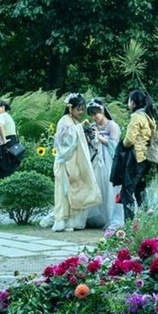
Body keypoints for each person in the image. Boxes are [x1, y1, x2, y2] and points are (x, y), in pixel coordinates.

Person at [40, 93, 102, 232]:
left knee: (76, 190)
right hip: (65, 162)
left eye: (82, 109)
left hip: (75, 162)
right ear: (70, 108)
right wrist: (79, 128)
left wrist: (83, 130)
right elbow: (63, 141)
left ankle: (72, 222)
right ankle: (62, 220)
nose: (80, 112)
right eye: (78, 109)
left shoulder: (73, 121)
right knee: (64, 192)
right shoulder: (64, 121)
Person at [121, 88, 158, 222]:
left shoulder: (136, 116)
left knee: (127, 192)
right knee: (140, 191)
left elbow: (129, 139)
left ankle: (129, 224)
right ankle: (147, 220)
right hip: (146, 159)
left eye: (129, 99)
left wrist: (123, 145)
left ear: (134, 102)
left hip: (136, 159)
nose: (128, 102)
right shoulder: (148, 116)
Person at [87, 98, 120, 228]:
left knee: (109, 188)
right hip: (96, 160)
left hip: (109, 161)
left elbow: (114, 145)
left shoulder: (112, 126)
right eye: (92, 115)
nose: (94, 117)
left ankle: (111, 217)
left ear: (102, 110)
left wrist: (99, 137)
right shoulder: (93, 125)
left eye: (96, 114)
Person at [0, 99, 21, 181]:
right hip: (13, 143)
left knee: (3, 171)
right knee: (10, 169)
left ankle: (0, 190)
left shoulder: (2, 116)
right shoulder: (7, 116)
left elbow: (0, 126)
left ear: (3, 107)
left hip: (7, 145)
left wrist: (4, 139)